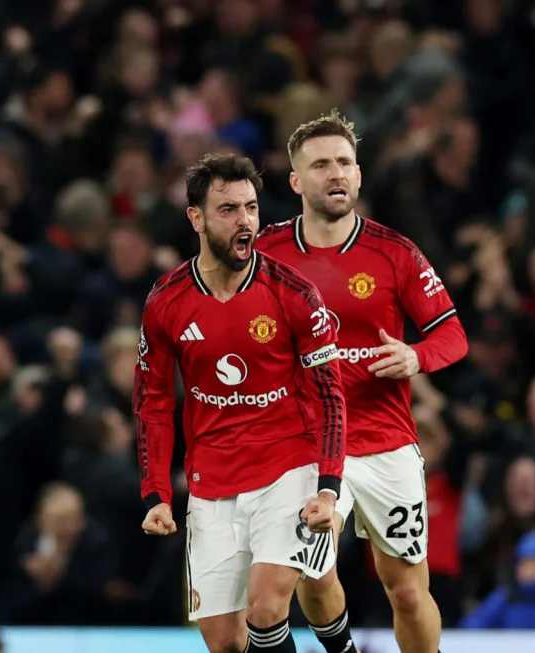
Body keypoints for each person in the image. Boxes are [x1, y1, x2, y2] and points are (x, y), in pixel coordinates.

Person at [258, 110, 468, 653]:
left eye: (345, 163)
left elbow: (453, 336)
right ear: (296, 181)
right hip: (304, 445)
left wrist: (416, 357)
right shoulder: (264, 255)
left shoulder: (394, 252)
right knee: (312, 574)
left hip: (386, 444)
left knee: (405, 590)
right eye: (321, 164)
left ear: (359, 174)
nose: (336, 174)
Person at [133, 153, 347, 653]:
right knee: (225, 643)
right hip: (211, 483)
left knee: (267, 610)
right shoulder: (166, 301)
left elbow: (330, 395)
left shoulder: (295, 293)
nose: (245, 221)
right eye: (228, 210)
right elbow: (153, 402)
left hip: (286, 469)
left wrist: (330, 486)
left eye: (251, 208)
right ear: (197, 218)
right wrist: (156, 493)